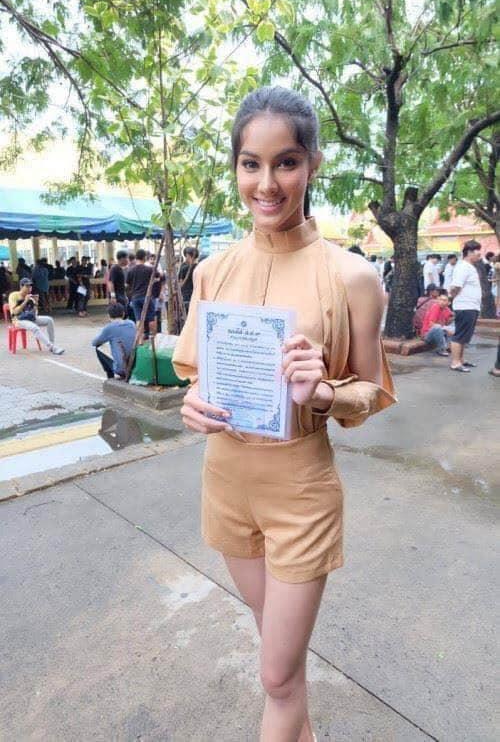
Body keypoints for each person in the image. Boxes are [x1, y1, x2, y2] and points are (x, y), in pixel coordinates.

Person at [172, 86, 396, 742]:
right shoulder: (212, 271)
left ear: (313, 164)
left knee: (274, 676)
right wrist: (192, 404)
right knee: (284, 664)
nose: (266, 184)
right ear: (236, 167)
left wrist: (322, 393)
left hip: (301, 493)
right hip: (226, 485)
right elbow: (196, 375)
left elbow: (371, 390)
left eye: (286, 163)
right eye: (251, 164)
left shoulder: (352, 277)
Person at [449, 239, 482, 373]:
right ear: (469, 252)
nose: (479, 255)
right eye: (477, 252)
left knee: (464, 336)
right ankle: (455, 362)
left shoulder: (468, 266)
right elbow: (455, 286)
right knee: (460, 335)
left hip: (471, 306)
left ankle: (461, 360)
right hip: (465, 306)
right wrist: (452, 298)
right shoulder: (463, 267)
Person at [8, 278, 64, 354]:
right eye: (27, 286)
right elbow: (14, 312)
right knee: (34, 327)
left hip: (30, 318)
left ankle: (52, 343)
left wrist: (36, 303)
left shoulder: (31, 297)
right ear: (21, 286)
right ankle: (52, 347)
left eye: (30, 286)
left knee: (49, 320)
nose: (29, 288)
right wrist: (25, 301)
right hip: (18, 320)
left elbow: (34, 314)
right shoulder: (14, 295)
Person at [91, 302, 136, 379]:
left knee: (98, 348)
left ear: (109, 315)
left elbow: (94, 342)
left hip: (122, 368)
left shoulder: (110, 327)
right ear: (123, 314)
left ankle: (110, 376)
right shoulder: (131, 323)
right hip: (134, 363)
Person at [126, 248, 155, 342]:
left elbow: (127, 285)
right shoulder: (149, 269)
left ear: (136, 257)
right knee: (151, 319)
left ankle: (140, 340)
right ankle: (153, 339)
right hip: (147, 297)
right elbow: (158, 277)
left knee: (139, 319)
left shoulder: (131, 270)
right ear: (145, 257)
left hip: (135, 298)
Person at [420, 291, 454, 356]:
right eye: (440, 300)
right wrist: (446, 329)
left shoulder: (446, 309)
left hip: (440, 332)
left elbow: (448, 321)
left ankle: (449, 346)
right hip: (427, 334)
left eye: (444, 300)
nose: (441, 302)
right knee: (438, 327)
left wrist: (452, 318)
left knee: (454, 328)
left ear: (449, 303)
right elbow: (431, 324)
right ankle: (441, 349)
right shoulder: (436, 307)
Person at [178, 246, 199, 312]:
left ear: (188, 256)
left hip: (186, 295)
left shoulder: (184, 268)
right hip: (197, 294)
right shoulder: (200, 266)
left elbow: (180, 282)